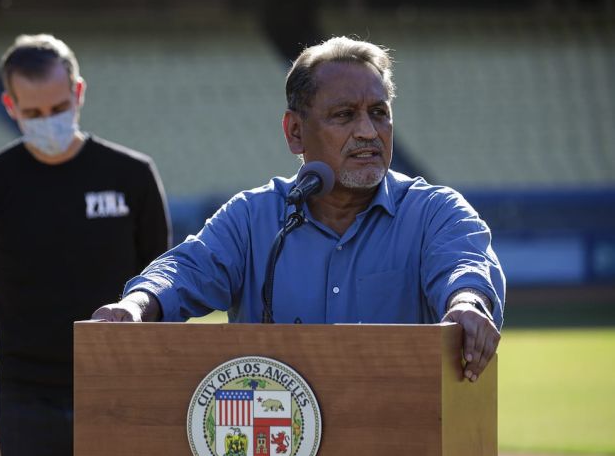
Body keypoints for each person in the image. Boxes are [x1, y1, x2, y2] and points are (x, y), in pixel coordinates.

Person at [93, 36, 504, 383]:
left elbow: (465, 268)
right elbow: (184, 271)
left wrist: (467, 303)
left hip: (399, 441)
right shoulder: (251, 218)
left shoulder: (435, 212)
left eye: (379, 113)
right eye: (344, 115)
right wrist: (137, 304)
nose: (367, 131)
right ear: (294, 132)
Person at [0, 34, 171, 456]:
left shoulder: (131, 175)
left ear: (78, 93)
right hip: (26, 391)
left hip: (119, 384)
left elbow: (157, 276)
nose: (47, 121)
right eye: (32, 113)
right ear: (10, 106)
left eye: (57, 108)